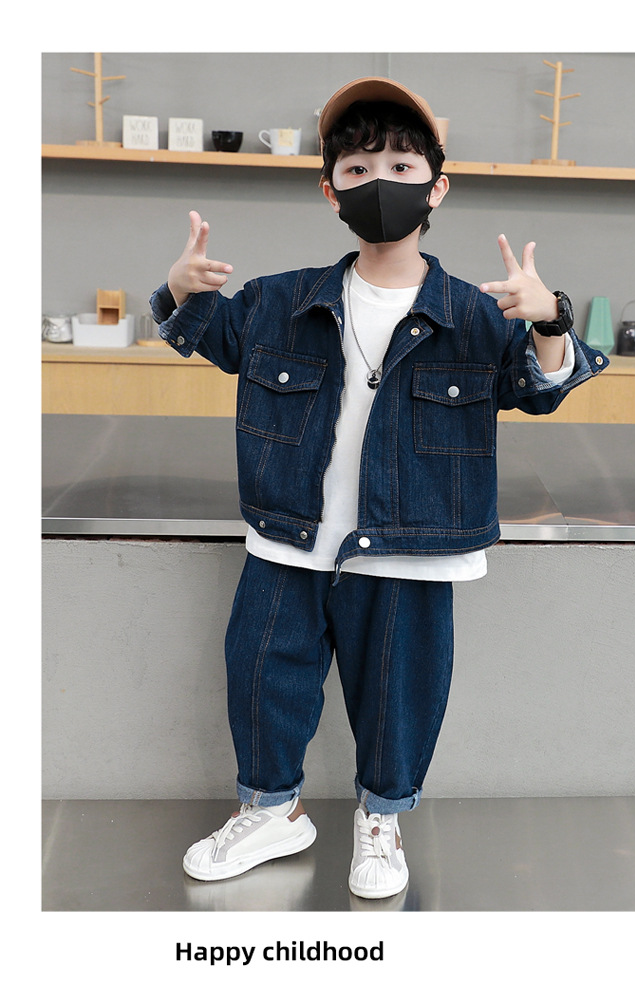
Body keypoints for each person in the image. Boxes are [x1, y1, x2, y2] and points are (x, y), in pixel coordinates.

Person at [150, 76, 608, 899]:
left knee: (400, 692)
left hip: (413, 544)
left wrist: (549, 318)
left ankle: (381, 820)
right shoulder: (279, 301)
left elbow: (542, 386)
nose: (379, 182)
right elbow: (207, 334)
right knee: (261, 673)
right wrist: (181, 287)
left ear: (438, 186)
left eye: (401, 166)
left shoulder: (478, 313)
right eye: (357, 169)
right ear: (330, 191)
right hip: (289, 537)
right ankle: (272, 812)